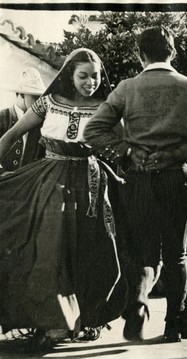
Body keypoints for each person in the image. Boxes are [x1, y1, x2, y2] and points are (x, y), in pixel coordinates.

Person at [83, 26, 187, 343]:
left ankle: (136, 308)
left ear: (140, 55)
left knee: (139, 253)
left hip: (138, 181)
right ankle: (174, 325)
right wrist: (180, 154)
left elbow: (93, 131)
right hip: (178, 179)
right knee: (178, 256)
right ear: (173, 53)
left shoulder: (126, 88)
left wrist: (127, 153)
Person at [0, 48, 127, 348]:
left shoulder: (107, 107)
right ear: (69, 75)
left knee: (89, 250)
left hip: (91, 184)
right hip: (50, 181)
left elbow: (124, 147)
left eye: (95, 76)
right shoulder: (48, 102)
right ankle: (50, 320)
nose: (90, 82)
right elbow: (10, 136)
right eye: (83, 75)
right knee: (48, 248)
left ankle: (84, 318)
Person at [0, 67, 46, 173]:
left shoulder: (41, 125)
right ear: (22, 94)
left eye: (40, 98)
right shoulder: (2, 118)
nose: (38, 102)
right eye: (35, 97)